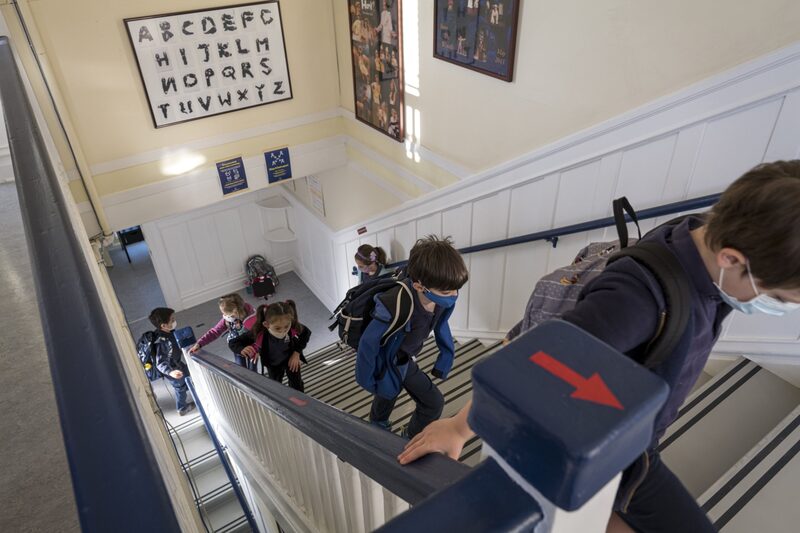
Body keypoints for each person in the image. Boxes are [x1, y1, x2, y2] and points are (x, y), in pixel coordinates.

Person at [397, 161, 800, 532]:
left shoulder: (699, 231)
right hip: (617, 450)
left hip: (632, 438)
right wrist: (459, 427)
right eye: (777, 297)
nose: (774, 306)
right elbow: (533, 366)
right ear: (731, 258)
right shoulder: (636, 301)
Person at [356, 235, 469, 438]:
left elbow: (442, 325)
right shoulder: (393, 305)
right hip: (389, 358)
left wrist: (445, 359)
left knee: (430, 402)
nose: (453, 296)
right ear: (419, 286)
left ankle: (409, 437)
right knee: (388, 390)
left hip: (406, 357)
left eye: (456, 289)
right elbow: (368, 342)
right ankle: (377, 425)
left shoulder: (444, 301)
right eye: (446, 291)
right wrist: (365, 379)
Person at [241, 300, 311, 392]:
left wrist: (296, 353)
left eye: (286, 326)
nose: (283, 331)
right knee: (275, 385)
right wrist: (242, 349)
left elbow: (306, 333)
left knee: (296, 383)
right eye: (277, 328)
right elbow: (235, 342)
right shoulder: (258, 332)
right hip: (273, 364)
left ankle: (299, 399)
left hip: (291, 359)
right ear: (266, 324)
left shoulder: (293, 326)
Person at [189, 293, 256, 370]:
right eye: (223, 313)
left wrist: (256, 349)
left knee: (252, 369)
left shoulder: (252, 318)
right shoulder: (227, 320)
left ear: (235, 312)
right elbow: (214, 332)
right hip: (237, 345)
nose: (224, 316)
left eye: (226, 314)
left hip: (252, 345)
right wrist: (199, 343)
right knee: (241, 367)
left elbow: (259, 334)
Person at [149, 307, 195, 415]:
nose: (174, 321)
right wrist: (171, 372)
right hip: (172, 370)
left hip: (177, 363)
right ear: (164, 326)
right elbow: (160, 363)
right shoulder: (162, 342)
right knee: (180, 388)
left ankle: (194, 390)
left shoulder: (169, 332)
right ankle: (182, 408)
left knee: (189, 375)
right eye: (172, 320)